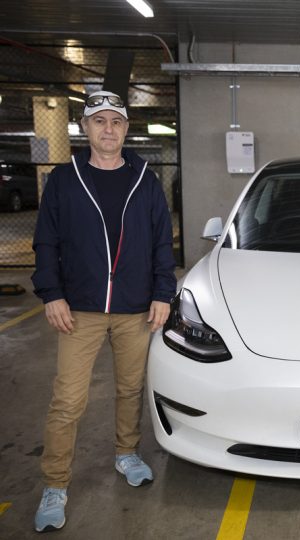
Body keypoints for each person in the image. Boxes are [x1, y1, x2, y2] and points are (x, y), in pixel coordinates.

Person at [30, 90, 177, 533]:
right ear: (84, 128)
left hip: (135, 309)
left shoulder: (145, 180)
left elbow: (160, 241)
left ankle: (126, 453)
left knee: (130, 390)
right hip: (79, 310)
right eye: (99, 121)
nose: (108, 129)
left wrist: (162, 293)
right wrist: (51, 293)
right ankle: (55, 484)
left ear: (126, 128)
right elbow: (46, 241)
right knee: (68, 401)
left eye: (116, 121)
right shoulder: (63, 179)